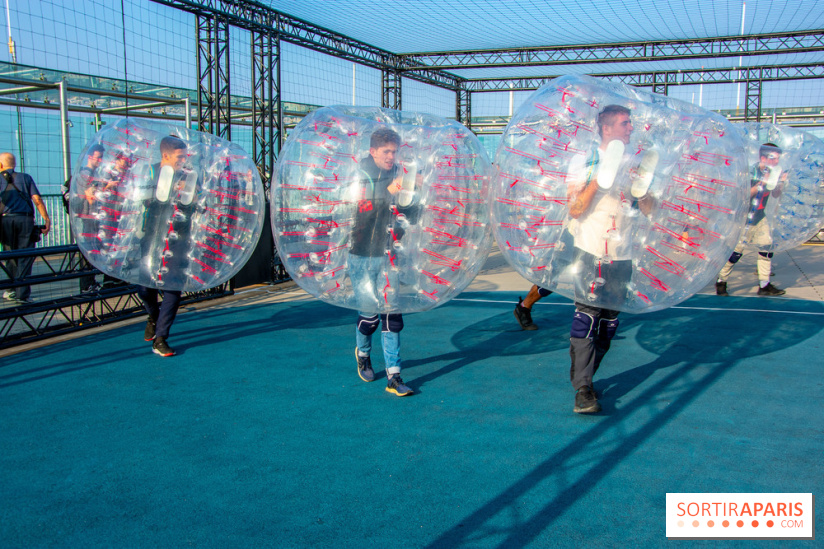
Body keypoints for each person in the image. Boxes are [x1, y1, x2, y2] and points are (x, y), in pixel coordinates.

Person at [565, 105, 654, 414]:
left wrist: (641, 191)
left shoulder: (635, 163)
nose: (631, 128)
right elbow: (574, 208)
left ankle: (584, 373)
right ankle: (583, 388)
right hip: (590, 249)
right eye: (625, 123)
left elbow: (650, 210)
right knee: (586, 316)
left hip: (623, 253)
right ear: (606, 129)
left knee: (610, 324)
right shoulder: (584, 160)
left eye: (631, 123)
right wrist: (599, 181)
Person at [349, 128, 414, 396]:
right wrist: (397, 187)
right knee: (370, 317)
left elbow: (409, 212)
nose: (391, 156)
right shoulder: (359, 174)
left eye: (394, 151)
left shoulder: (400, 174)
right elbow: (364, 210)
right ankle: (363, 353)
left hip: (389, 256)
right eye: (386, 151)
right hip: (362, 255)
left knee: (391, 317)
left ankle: (394, 376)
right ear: (372, 151)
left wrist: (411, 200)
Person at [137, 136, 192, 357]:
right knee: (144, 286)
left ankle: (160, 338)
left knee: (172, 288)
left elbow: (195, 203)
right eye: (180, 157)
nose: (183, 160)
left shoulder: (188, 176)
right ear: (165, 155)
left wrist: (190, 194)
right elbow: (138, 200)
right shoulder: (148, 173)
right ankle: (153, 315)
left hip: (178, 236)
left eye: (185, 156)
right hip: (150, 235)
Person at [715, 143, 786, 297]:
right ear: (763, 158)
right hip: (744, 219)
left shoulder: (773, 173)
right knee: (736, 253)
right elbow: (744, 196)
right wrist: (762, 182)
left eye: (777, 159)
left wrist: (779, 182)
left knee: (766, 249)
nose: (776, 162)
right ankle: (721, 281)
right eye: (773, 158)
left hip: (760, 216)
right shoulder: (751, 172)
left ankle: (764, 285)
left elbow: (774, 194)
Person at [0, 152, 50, 303]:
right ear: (14, 164)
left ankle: (11, 289)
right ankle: (22, 294)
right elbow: (37, 199)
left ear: (1, 165)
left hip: (5, 221)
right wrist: (46, 219)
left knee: (9, 255)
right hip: (25, 220)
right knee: (25, 256)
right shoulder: (26, 178)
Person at [73, 144, 105, 293]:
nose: (100, 160)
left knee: (93, 248)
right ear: (90, 156)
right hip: (88, 217)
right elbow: (91, 197)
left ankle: (89, 282)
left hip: (92, 216)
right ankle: (87, 284)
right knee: (89, 249)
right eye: (98, 157)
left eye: (101, 157)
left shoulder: (92, 174)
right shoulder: (86, 175)